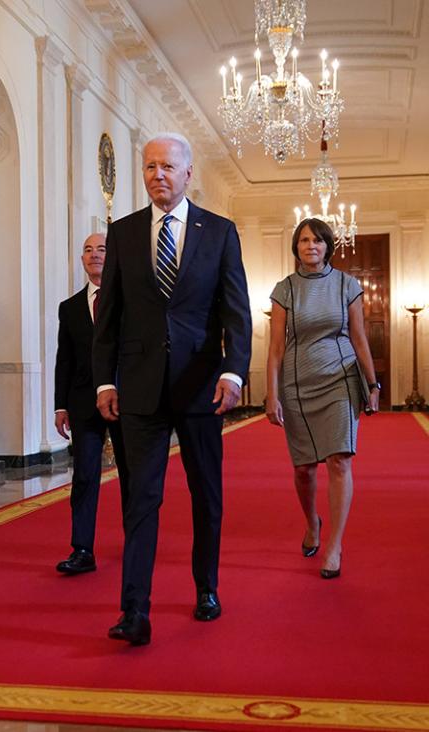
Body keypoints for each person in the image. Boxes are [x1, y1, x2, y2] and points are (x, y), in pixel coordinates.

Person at [93, 132, 252, 645]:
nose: (157, 174)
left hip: (202, 387)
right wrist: (103, 381)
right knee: (141, 497)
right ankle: (134, 610)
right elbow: (108, 320)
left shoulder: (220, 232)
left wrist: (232, 372)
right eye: (149, 166)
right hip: (139, 389)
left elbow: (236, 313)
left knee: (206, 494)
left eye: (167, 166)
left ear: (188, 175)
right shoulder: (123, 233)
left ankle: (206, 586)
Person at [265, 218, 379, 579]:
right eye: (303, 240)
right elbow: (276, 349)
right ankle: (312, 522)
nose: (310, 246)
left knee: (340, 461)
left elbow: (359, 338)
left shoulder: (347, 285)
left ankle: (334, 544)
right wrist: (272, 394)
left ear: (328, 245)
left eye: (317, 240)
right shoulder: (285, 290)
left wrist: (372, 386)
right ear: (295, 247)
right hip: (298, 384)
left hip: (340, 379)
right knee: (303, 468)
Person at [54, 233, 128, 575]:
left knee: (131, 474)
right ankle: (82, 548)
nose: (94, 255)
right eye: (88, 250)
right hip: (83, 402)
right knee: (85, 474)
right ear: (82, 259)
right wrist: (60, 406)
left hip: (125, 399)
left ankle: (136, 541)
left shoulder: (129, 300)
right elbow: (64, 360)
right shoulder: (68, 308)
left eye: (101, 249)